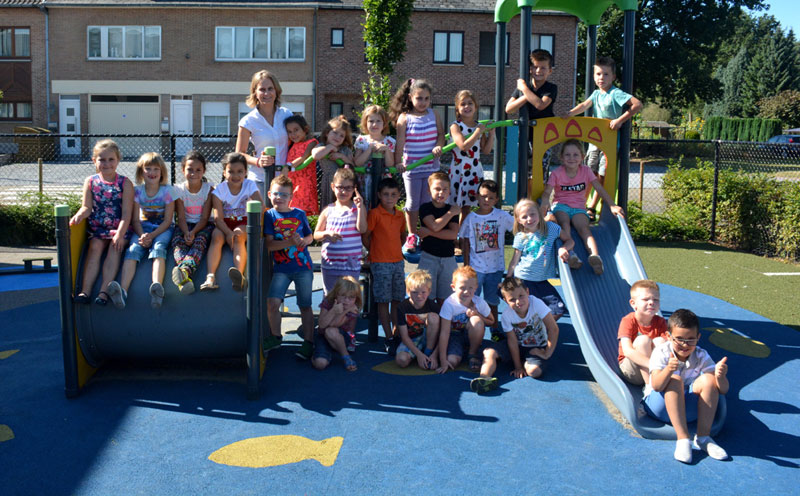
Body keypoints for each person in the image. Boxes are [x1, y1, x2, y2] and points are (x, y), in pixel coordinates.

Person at [643, 309, 730, 463]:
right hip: (659, 407)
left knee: (709, 380)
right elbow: (656, 386)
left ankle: (703, 438)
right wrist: (669, 370)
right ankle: (683, 439)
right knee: (675, 380)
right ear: (669, 337)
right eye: (679, 339)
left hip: (686, 409)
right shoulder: (662, 352)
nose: (685, 344)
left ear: (698, 338)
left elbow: (722, 390)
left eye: (691, 339)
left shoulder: (701, 355)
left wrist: (720, 377)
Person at [561, 56, 642, 220]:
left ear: (613, 77)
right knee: (588, 171)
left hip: (610, 141)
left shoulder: (615, 94)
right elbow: (584, 105)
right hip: (594, 140)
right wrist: (570, 114)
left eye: (606, 74)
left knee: (602, 175)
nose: (601, 78)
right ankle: (581, 204)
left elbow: (637, 105)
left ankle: (592, 207)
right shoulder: (596, 94)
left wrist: (619, 120)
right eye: (598, 74)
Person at [539, 139, 624, 275]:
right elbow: (547, 193)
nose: (571, 158)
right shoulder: (557, 173)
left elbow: (599, 189)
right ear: (561, 157)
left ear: (582, 157)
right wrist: (545, 205)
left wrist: (612, 205)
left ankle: (595, 256)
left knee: (584, 229)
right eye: (567, 155)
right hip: (561, 206)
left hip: (579, 208)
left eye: (575, 155)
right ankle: (571, 254)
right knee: (564, 224)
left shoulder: (586, 171)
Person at [107, 152, 174, 310]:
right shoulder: (137, 192)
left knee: (158, 249)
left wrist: (152, 235)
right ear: (141, 171)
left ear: (162, 172)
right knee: (133, 249)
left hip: (162, 228)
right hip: (143, 226)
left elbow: (168, 220)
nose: (152, 173)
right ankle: (123, 291)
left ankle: (156, 287)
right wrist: (142, 234)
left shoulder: (167, 191)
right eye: (148, 169)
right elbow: (135, 219)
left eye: (156, 169)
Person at [70, 140, 134, 305]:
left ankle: (104, 292)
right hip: (98, 229)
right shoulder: (91, 181)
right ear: (94, 161)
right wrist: (78, 215)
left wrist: (119, 234)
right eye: (102, 159)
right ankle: (85, 291)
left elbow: (127, 214)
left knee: (114, 248)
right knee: (95, 248)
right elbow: (86, 207)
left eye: (111, 159)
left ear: (118, 160)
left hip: (119, 229)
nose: (106, 163)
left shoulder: (124, 183)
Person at [472, 277, 559, 394]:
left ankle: (527, 362)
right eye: (512, 299)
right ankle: (484, 378)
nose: (518, 302)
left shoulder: (536, 303)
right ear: (505, 300)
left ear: (527, 292)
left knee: (534, 371)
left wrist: (547, 353)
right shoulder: (507, 315)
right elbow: (512, 341)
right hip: (517, 346)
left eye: (521, 296)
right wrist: (517, 366)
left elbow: (553, 329)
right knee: (489, 352)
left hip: (535, 347)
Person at [390, 78, 445, 252]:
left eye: (426, 98)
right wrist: (399, 162)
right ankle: (412, 235)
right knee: (413, 203)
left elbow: (441, 135)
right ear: (411, 97)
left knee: (429, 201)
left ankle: (429, 233)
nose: (423, 102)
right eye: (419, 98)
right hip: (413, 168)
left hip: (431, 167)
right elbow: (400, 142)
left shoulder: (434, 114)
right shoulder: (404, 118)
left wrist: (438, 146)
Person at [263, 174, 315, 359]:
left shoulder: (299, 214)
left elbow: (310, 236)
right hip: (281, 269)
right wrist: (290, 242)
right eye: (276, 193)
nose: (279, 197)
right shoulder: (269, 215)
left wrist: (302, 241)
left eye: (284, 195)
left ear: (291, 197)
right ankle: (276, 336)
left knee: (305, 305)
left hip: (303, 267)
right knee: (272, 303)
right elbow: (269, 245)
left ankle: (308, 342)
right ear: (269, 194)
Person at [200, 152, 263, 292]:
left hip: (244, 222)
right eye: (231, 171)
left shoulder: (249, 185)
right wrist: (227, 233)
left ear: (246, 172)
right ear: (224, 172)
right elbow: (218, 218)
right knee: (216, 237)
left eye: (240, 171)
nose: (236, 175)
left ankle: (239, 275)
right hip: (224, 224)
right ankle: (210, 276)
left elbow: (260, 206)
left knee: (238, 235)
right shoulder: (219, 190)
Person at [458, 180, 514, 331]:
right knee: (470, 300)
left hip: (495, 268)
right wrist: (466, 265)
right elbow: (464, 241)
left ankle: (494, 329)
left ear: (496, 199)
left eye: (491, 197)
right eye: (483, 196)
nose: (486, 200)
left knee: (492, 301)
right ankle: (468, 328)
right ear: (477, 196)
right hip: (476, 269)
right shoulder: (471, 218)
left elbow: (518, 227)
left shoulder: (502, 216)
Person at [505, 198, 573, 320]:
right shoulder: (521, 237)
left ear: (539, 214)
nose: (530, 219)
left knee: (558, 309)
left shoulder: (551, 228)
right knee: (526, 310)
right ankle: (532, 332)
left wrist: (564, 248)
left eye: (532, 214)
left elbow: (569, 240)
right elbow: (515, 260)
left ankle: (539, 329)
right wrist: (508, 278)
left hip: (541, 280)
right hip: (524, 279)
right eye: (524, 217)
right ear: (519, 220)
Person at [235, 70, 293, 201]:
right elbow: (239, 154)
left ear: (276, 90)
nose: (266, 93)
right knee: (260, 219)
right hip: (260, 180)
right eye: (262, 89)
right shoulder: (248, 121)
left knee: (281, 220)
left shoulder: (287, 114)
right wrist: (258, 161)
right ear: (255, 92)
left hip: (283, 181)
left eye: (270, 89)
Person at [363, 177, 406, 354]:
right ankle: (388, 337)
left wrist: (396, 251)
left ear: (398, 196)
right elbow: (366, 235)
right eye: (386, 194)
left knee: (397, 300)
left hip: (398, 262)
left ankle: (397, 334)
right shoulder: (374, 214)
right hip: (380, 264)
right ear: (379, 195)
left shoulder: (400, 215)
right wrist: (373, 251)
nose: (389, 198)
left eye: (393, 195)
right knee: (383, 301)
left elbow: (402, 236)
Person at [505, 49, 558, 178]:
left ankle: (538, 198)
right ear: (530, 69)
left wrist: (524, 89)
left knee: (540, 170)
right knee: (524, 170)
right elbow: (509, 108)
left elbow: (540, 105)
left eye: (543, 68)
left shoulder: (550, 88)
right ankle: (525, 196)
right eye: (535, 67)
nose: (538, 71)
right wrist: (525, 94)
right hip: (525, 134)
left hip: (544, 134)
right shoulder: (526, 88)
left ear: (550, 71)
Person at [313, 168, 366, 295]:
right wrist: (327, 234)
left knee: (349, 298)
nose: (343, 191)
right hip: (330, 264)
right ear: (333, 187)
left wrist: (360, 208)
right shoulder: (328, 210)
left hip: (350, 265)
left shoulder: (357, 209)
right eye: (340, 187)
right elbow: (316, 234)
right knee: (330, 298)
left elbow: (362, 229)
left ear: (354, 189)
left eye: (348, 188)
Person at [170, 150, 214, 295]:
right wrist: (186, 232)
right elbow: (181, 217)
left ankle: (184, 271)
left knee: (199, 242)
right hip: (185, 225)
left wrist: (194, 233)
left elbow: (205, 218)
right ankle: (185, 278)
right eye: (189, 169)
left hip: (202, 226)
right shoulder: (179, 190)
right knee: (177, 243)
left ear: (204, 171)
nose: (193, 173)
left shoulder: (208, 189)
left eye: (198, 170)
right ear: (183, 170)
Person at [436, 266, 494, 374]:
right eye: (462, 287)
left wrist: (478, 314)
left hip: (470, 335)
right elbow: (444, 332)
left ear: (476, 287)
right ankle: (464, 350)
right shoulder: (449, 304)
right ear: (453, 287)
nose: (466, 291)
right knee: (452, 362)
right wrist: (443, 360)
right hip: (454, 336)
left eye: (471, 288)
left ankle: (472, 353)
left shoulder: (479, 302)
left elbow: (491, 321)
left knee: (476, 320)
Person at [449, 90, 495, 221]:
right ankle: (455, 235)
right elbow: (463, 146)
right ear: (457, 108)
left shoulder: (478, 125)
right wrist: (478, 132)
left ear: (476, 107)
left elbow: (486, 150)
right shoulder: (455, 126)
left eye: (470, 103)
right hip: (460, 169)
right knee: (456, 205)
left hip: (474, 170)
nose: (467, 106)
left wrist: (491, 134)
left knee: (467, 207)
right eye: (463, 104)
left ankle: (465, 236)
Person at [417, 172, 460, 306]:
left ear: (449, 192)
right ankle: (430, 325)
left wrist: (428, 232)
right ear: (429, 191)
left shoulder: (451, 209)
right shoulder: (425, 208)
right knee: (426, 296)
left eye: (445, 189)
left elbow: (453, 235)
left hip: (448, 259)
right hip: (428, 257)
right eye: (437, 189)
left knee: (446, 299)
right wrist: (450, 213)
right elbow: (435, 226)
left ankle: (444, 325)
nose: (441, 193)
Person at [617, 279, 667, 386]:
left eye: (656, 299)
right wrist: (652, 365)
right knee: (643, 340)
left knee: (661, 341)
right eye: (645, 299)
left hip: (654, 369)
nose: (651, 302)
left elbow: (668, 347)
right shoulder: (628, 321)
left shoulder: (660, 322)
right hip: (632, 370)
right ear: (633, 303)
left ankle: (658, 381)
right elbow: (628, 351)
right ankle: (650, 386)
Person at [312, 275, 362, 372]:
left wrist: (345, 311)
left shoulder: (353, 308)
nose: (346, 301)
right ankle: (315, 354)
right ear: (336, 294)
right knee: (320, 364)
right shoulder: (328, 301)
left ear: (356, 298)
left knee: (331, 331)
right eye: (343, 296)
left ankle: (345, 356)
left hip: (341, 338)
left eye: (351, 298)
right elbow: (322, 325)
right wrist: (333, 310)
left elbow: (334, 325)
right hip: (323, 336)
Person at [395, 270, 440, 370]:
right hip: (412, 340)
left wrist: (435, 355)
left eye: (423, 292)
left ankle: (428, 353)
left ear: (429, 291)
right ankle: (420, 355)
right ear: (407, 291)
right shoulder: (402, 307)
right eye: (414, 292)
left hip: (430, 338)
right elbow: (405, 337)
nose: (419, 296)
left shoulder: (433, 306)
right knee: (401, 360)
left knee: (434, 317)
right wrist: (419, 355)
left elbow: (443, 333)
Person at [354, 105, 396, 208]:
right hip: (364, 179)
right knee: (365, 204)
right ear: (365, 123)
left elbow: (390, 164)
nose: (374, 124)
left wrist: (386, 150)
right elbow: (357, 162)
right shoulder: (362, 140)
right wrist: (369, 150)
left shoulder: (389, 141)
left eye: (378, 121)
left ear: (384, 123)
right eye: (371, 121)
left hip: (383, 179)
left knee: (381, 205)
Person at [312, 115, 355, 209]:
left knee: (343, 206)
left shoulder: (345, 150)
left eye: (341, 135)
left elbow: (352, 164)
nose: (338, 137)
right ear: (327, 133)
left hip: (344, 184)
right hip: (328, 181)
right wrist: (329, 147)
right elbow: (315, 155)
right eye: (335, 133)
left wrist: (341, 156)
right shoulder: (322, 146)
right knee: (328, 206)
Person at [284, 114, 319, 215]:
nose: (293, 134)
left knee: (303, 209)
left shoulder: (312, 142)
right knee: (290, 208)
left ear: (305, 129)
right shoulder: (291, 144)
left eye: (296, 130)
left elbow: (304, 157)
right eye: (289, 132)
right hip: (292, 181)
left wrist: (288, 166)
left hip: (304, 182)